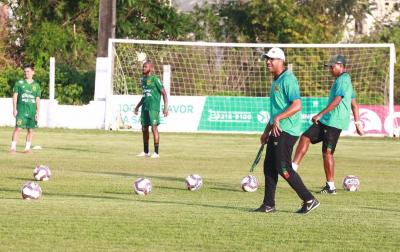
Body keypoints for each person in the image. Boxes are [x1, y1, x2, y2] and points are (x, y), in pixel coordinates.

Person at [254, 47, 319, 214]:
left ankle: (309, 199)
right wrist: (266, 131)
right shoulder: (276, 80)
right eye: (266, 59)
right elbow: (275, 113)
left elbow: (297, 105)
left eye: (271, 59)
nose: (268, 62)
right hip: (277, 129)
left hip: (288, 130)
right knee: (269, 167)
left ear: (281, 61)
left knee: (283, 168)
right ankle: (268, 204)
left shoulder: (288, 79)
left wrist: (278, 119)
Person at [292, 54, 363, 194]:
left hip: (334, 122)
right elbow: (354, 104)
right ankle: (292, 168)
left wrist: (320, 114)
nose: (330, 69)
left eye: (333, 66)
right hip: (326, 121)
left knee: (327, 153)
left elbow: (337, 100)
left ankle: (330, 186)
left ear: (342, 66)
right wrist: (358, 122)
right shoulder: (343, 81)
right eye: (330, 66)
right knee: (305, 137)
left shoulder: (344, 79)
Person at [134, 60, 168, 158]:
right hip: (145, 107)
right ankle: (146, 152)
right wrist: (137, 107)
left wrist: (165, 108)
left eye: (146, 67)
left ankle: (156, 153)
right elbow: (145, 96)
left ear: (151, 68)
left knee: (154, 128)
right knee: (144, 128)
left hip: (153, 107)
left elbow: (164, 93)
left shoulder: (155, 79)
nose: (143, 68)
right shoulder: (143, 80)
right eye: (143, 67)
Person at [10, 64, 41, 154]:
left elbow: (37, 99)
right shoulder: (19, 83)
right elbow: (15, 96)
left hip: (32, 111)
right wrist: (14, 108)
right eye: (25, 71)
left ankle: (27, 149)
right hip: (21, 111)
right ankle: (13, 148)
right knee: (18, 128)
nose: (26, 73)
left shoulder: (36, 85)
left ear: (33, 72)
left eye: (28, 71)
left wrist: (38, 112)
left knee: (31, 130)